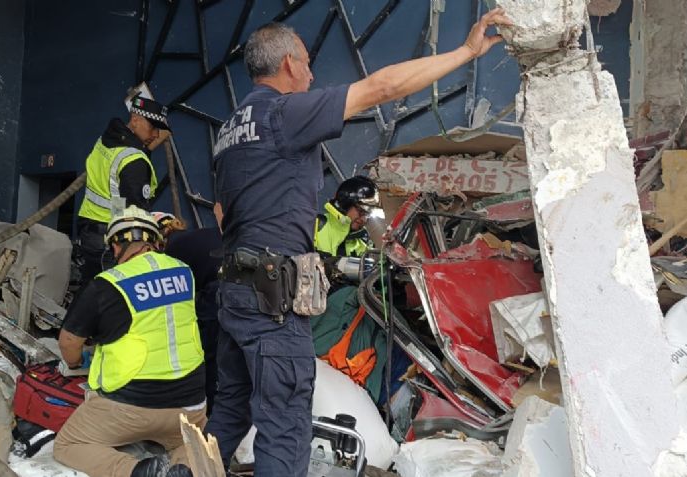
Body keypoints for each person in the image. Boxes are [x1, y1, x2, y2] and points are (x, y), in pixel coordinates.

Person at [206, 8, 512, 476]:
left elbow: (222, 212)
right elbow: (383, 87)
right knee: (284, 426)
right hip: (271, 299)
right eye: (307, 63)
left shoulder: (230, 129)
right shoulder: (284, 113)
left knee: (230, 410)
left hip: (235, 291)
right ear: (289, 64)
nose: (311, 73)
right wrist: (466, 52)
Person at [54, 206, 205, 477]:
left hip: (131, 408)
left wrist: (77, 361)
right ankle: (182, 468)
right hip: (189, 407)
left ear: (115, 247)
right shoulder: (184, 272)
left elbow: (68, 343)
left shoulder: (108, 283)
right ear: (155, 242)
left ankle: (138, 472)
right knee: (189, 444)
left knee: (69, 444)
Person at [75, 96, 170, 288]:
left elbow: (116, 196)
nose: (156, 134)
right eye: (153, 127)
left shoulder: (106, 140)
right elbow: (135, 211)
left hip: (89, 231)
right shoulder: (134, 160)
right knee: (115, 296)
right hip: (111, 241)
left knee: (90, 292)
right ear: (135, 119)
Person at [163, 203, 224, 415]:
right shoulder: (194, 237)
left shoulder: (170, 250)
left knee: (209, 353)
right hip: (237, 285)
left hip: (217, 294)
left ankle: (209, 410)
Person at [314, 176, 379, 258]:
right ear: (345, 204)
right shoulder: (314, 227)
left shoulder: (362, 242)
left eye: (368, 214)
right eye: (361, 211)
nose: (364, 219)